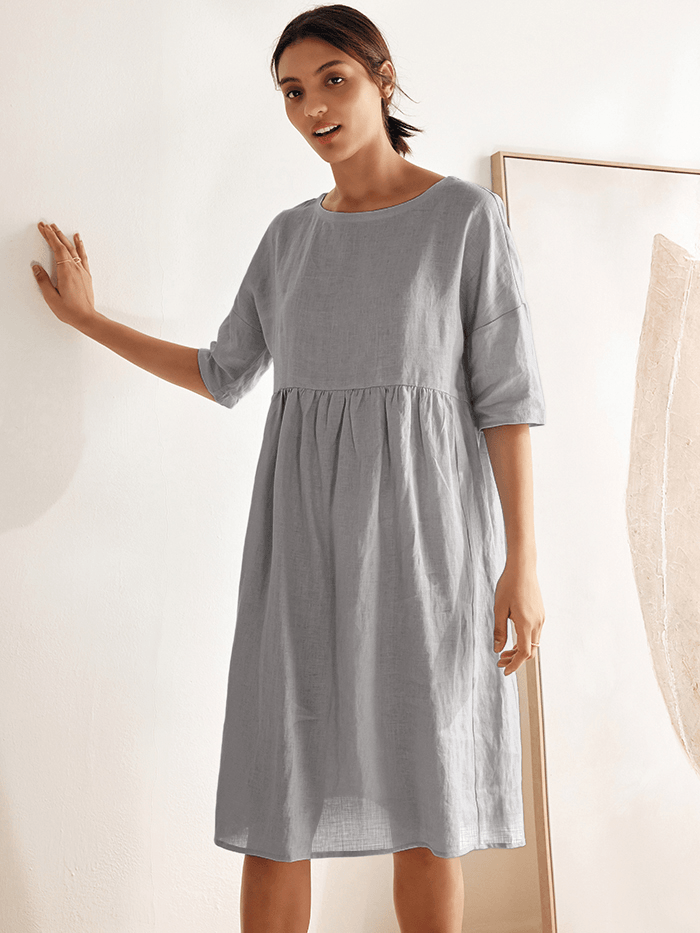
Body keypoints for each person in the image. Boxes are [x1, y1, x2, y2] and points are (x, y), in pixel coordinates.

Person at [31, 4, 546, 932]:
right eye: (293, 92)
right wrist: (87, 320)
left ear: (382, 79)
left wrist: (523, 561)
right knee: (278, 807)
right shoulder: (287, 239)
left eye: (333, 81)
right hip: (298, 553)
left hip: (426, 549)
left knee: (429, 810)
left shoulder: (466, 220)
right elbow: (222, 372)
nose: (313, 108)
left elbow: (505, 400)